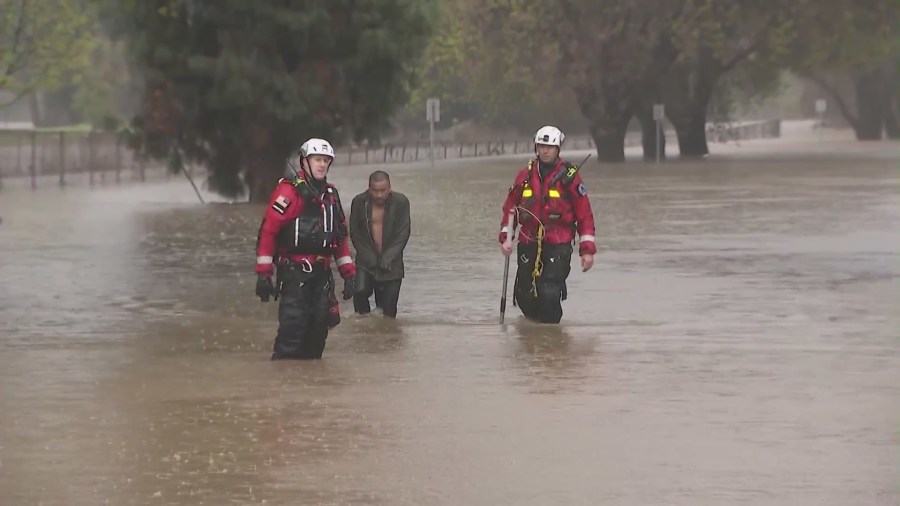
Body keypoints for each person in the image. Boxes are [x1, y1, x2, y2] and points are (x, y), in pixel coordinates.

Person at [254, 138, 357, 360]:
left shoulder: (331, 196)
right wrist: (264, 275)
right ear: (304, 161)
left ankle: (309, 385)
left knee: (319, 331)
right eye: (317, 159)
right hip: (294, 273)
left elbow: (339, 239)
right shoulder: (288, 193)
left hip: (322, 275)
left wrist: (349, 275)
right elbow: (268, 232)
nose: (322, 165)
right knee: (292, 330)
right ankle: (282, 382)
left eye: (326, 161)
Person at [498, 125, 596, 324]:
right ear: (536, 147)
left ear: (558, 149)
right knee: (524, 293)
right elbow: (510, 209)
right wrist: (505, 238)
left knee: (549, 291)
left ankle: (551, 339)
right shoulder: (524, 176)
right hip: (528, 240)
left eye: (550, 147)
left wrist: (587, 251)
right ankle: (534, 335)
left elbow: (585, 215)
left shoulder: (570, 177)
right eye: (542, 146)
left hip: (558, 242)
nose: (545, 150)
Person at [348, 170, 411, 318]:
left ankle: (384, 338)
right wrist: (368, 256)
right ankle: (364, 331)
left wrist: (388, 258)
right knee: (360, 291)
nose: (379, 195)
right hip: (366, 260)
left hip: (391, 263)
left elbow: (403, 233)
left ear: (390, 188)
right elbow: (355, 232)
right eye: (375, 191)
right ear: (369, 189)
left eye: (383, 190)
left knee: (388, 312)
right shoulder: (359, 202)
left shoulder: (401, 202)